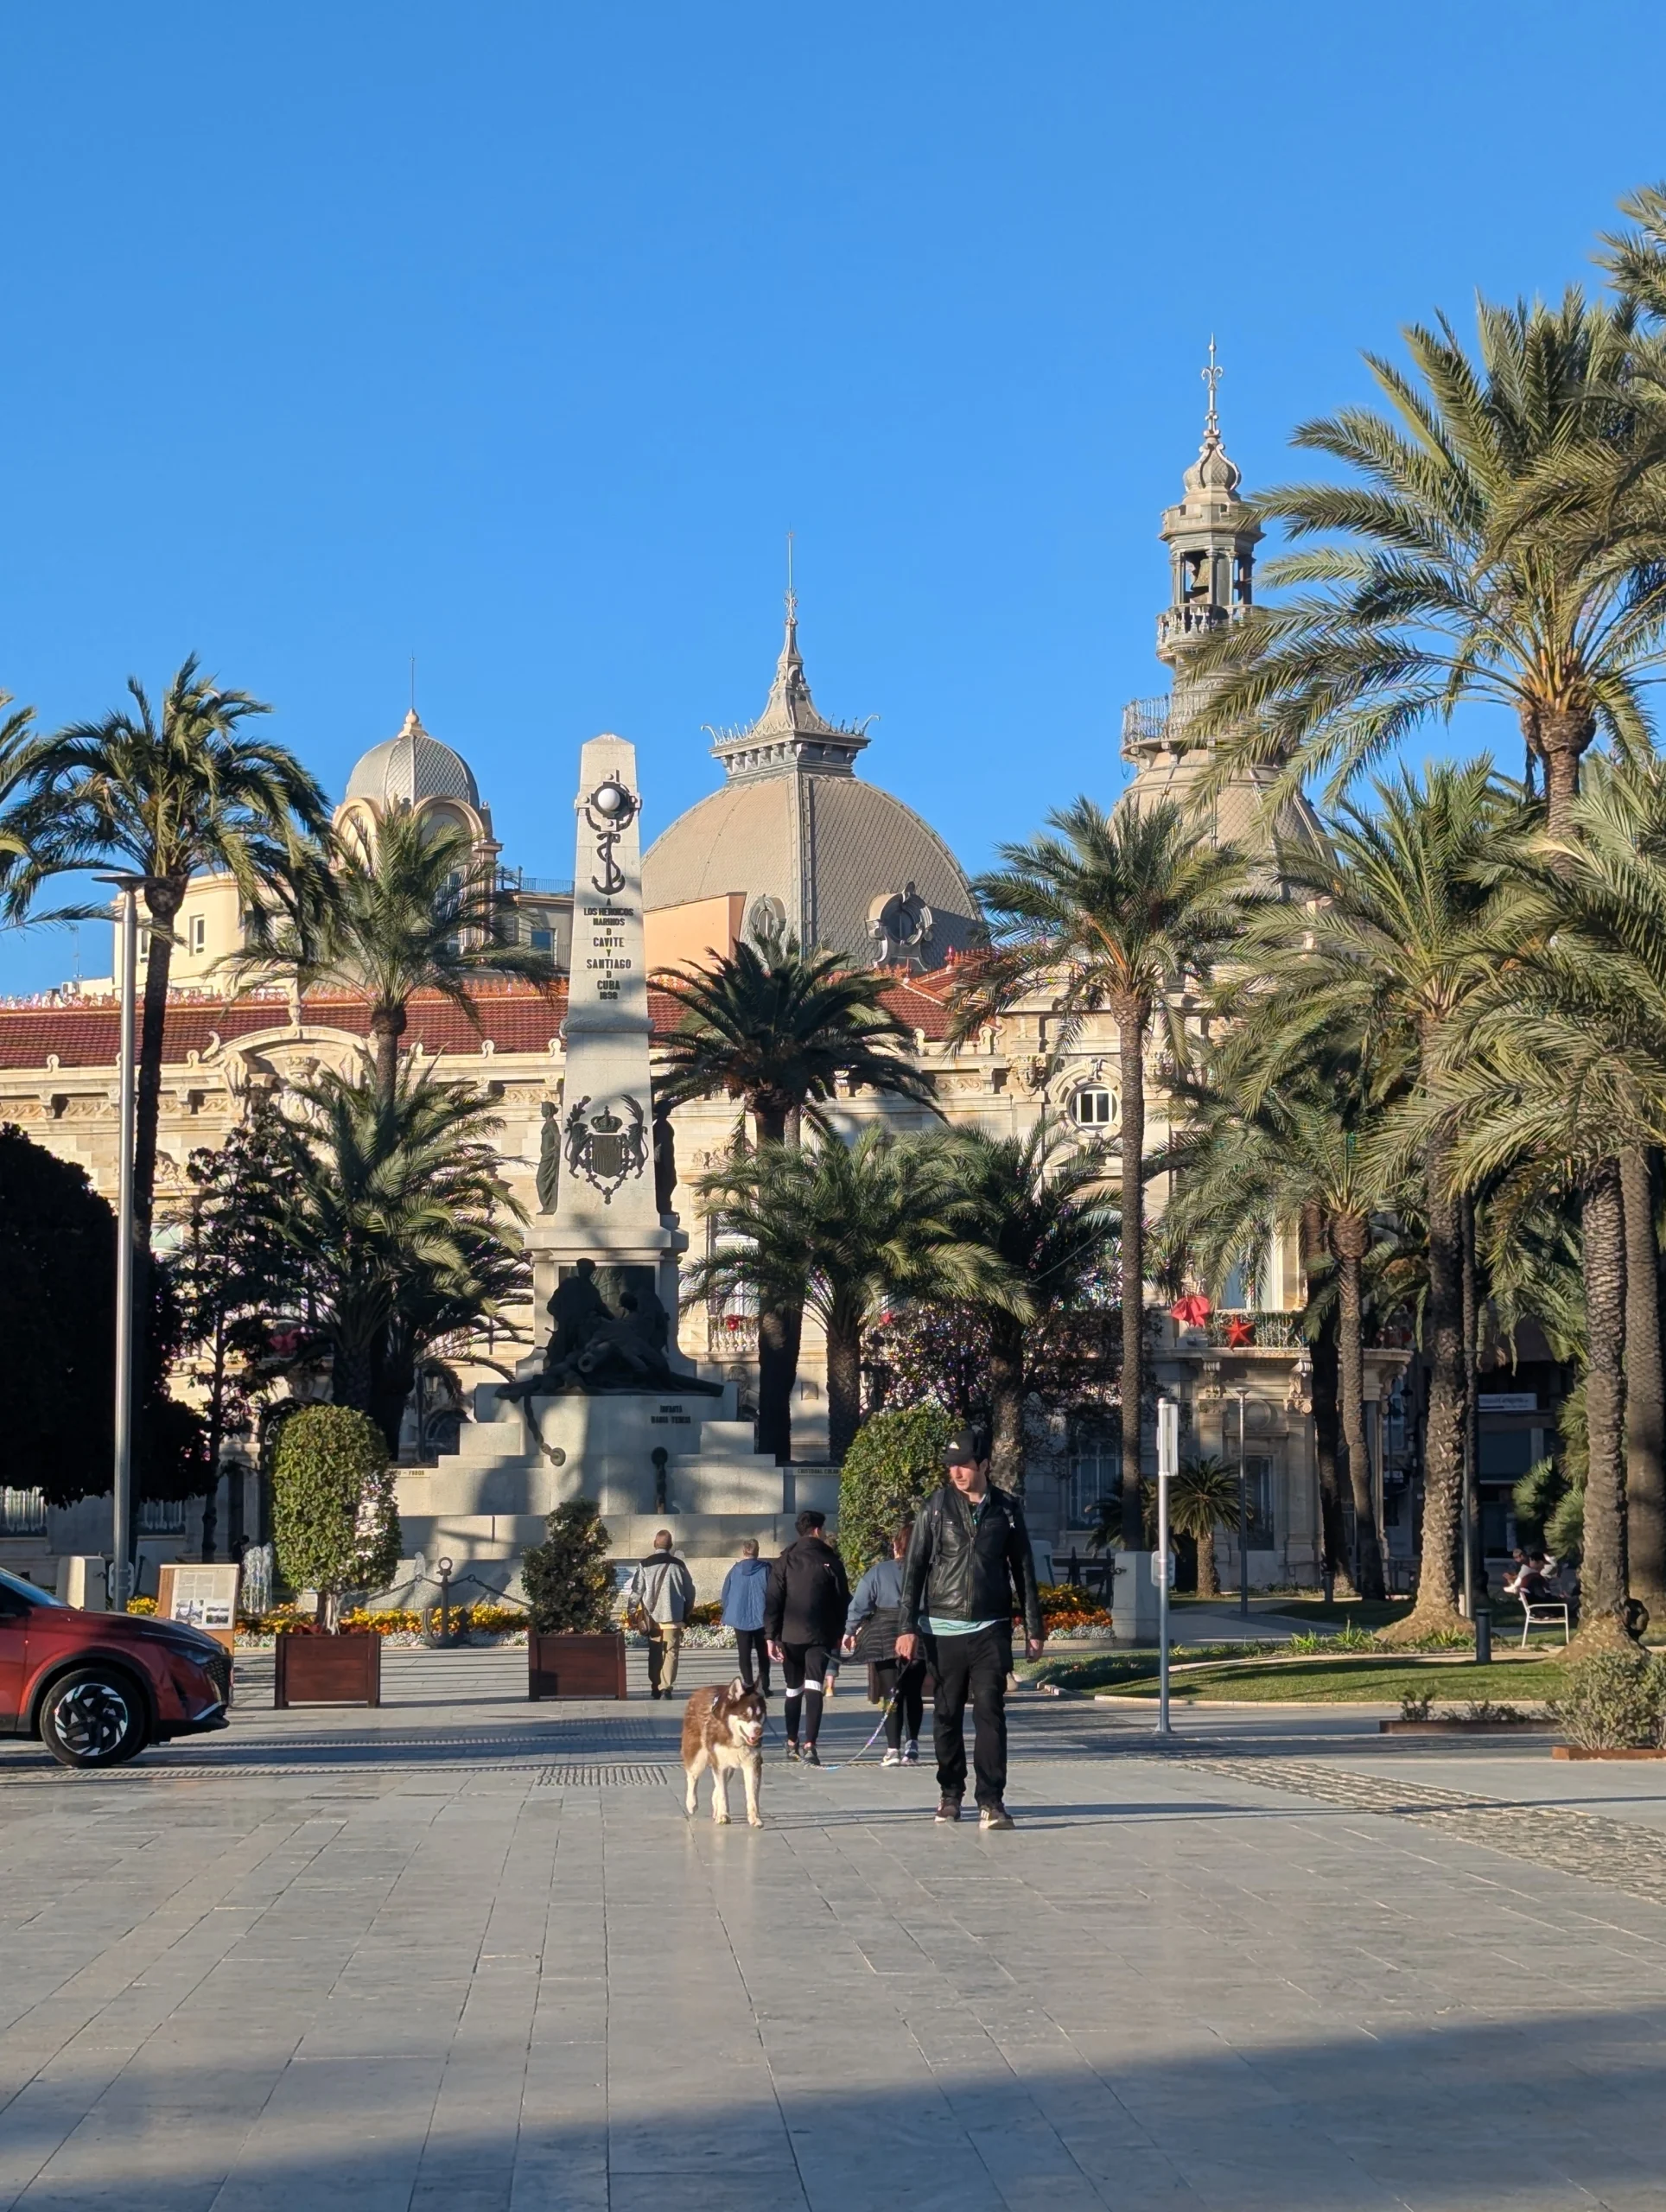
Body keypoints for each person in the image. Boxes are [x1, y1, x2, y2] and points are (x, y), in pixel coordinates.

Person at [895, 1424, 1045, 1831]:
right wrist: (906, 1626)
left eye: (963, 1465)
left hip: (990, 1628)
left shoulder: (1008, 1510)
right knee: (945, 1715)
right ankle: (950, 1793)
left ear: (984, 1465)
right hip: (942, 1630)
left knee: (990, 1715)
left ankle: (992, 1801)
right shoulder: (936, 1507)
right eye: (951, 1466)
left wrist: (1034, 1627)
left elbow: (1024, 1570)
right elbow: (914, 1569)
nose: (956, 1473)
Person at [764, 1509, 850, 1764]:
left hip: (789, 1635)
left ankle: (792, 1742)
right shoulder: (831, 1560)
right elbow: (842, 1600)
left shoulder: (784, 1561)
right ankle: (811, 1745)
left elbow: (773, 1601)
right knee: (815, 1687)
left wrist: (770, 1636)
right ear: (816, 1530)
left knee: (793, 1690)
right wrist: (841, 1631)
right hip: (820, 1635)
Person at [843, 1521, 924, 1766]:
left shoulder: (878, 1572)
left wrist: (850, 1630)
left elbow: (860, 1604)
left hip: (883, 1636)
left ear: (897, 1545)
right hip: (919, 1634)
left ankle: (892, 1749)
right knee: (914, 1693)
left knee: (891, 1694)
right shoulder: (929, 1571)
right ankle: (913, 1746)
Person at [625, 1529, 696, 1699]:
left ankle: (655, 1685)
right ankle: (666, 1687)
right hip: (673, 1616)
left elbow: (637, 1590)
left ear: (654, 1544)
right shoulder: (679, 1565)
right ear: (670, 1546)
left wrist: (632, 1609)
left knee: (655, 1651)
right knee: (671, 1651)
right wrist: (687, 1610)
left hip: (652, 1618)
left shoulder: (645, 1564)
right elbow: (690, 1591)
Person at [721, 1538, 772, 1696]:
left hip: (739, 1617)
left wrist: (729, 1609)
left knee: (744, 1653)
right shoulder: (766, 1570)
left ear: (744, 1551)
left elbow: (725, 1594)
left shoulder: (735, 1570)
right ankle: (763, 1684)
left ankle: (748, 1683)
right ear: (757, 1552)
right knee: (763, 1653)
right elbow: (774, 1594)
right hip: (762, 1617)